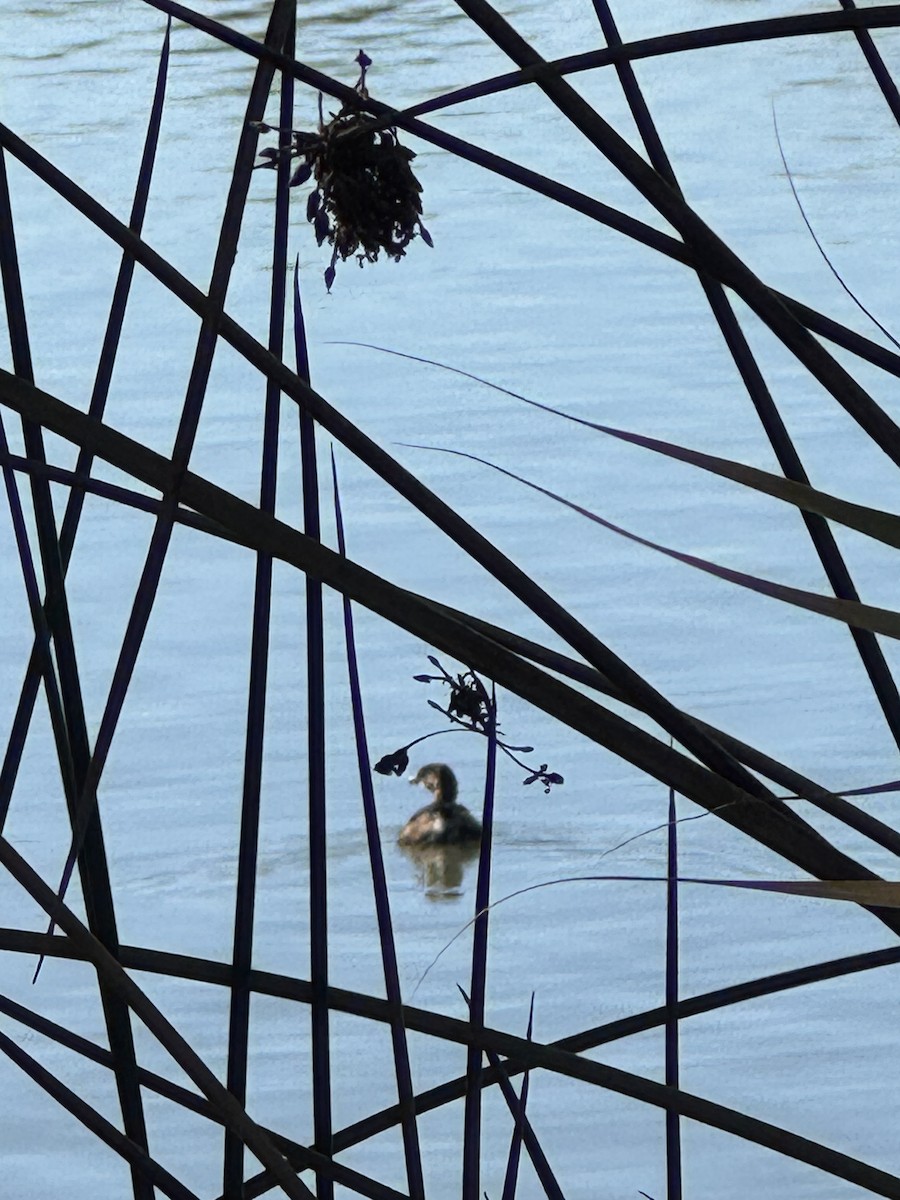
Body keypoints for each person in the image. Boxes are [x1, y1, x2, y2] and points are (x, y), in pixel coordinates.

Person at [398, 763, 481, 847]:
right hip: (462, 828)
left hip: (431, 833)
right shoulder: (462, 813)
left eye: (423, 777)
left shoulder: (423, 815)